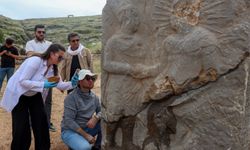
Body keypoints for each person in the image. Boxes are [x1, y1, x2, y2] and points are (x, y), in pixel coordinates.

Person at [0, 43, 79, 150]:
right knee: (22, 128)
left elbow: (59, 85)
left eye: (62, 58)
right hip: (19, 94)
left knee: (41, 123)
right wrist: (43, 85)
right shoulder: (35, 61)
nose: (61, 59)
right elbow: (22, 81)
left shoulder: (53, 68)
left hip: (34, 94)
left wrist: (72, 83)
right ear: (51, 54)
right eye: (59, 57)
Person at [25, 24, 56, 132]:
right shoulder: (30, 43)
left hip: (49, 75)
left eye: (43, 32)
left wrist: (37, 54)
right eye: (39, 32)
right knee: (31, 100)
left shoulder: (50, 44)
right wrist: (46, 55)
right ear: (35, 33)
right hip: (33, 77)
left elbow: (53, 57)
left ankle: (46, 123)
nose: (41, 34)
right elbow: (29, 54)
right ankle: (30, 123)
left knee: (47, 101)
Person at [61, 69, 102, 150]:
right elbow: (69, 121)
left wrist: (96, 118)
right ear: (79, 81)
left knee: (106, 122)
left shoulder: (95, 97)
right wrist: (86, 136)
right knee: (85, 147)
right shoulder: (71, 98)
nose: (91, 80)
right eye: (87, 78)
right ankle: (76, 143)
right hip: (70, 131)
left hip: (87, 128)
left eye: (92, 78)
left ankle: (97, 147)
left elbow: (103, 111)